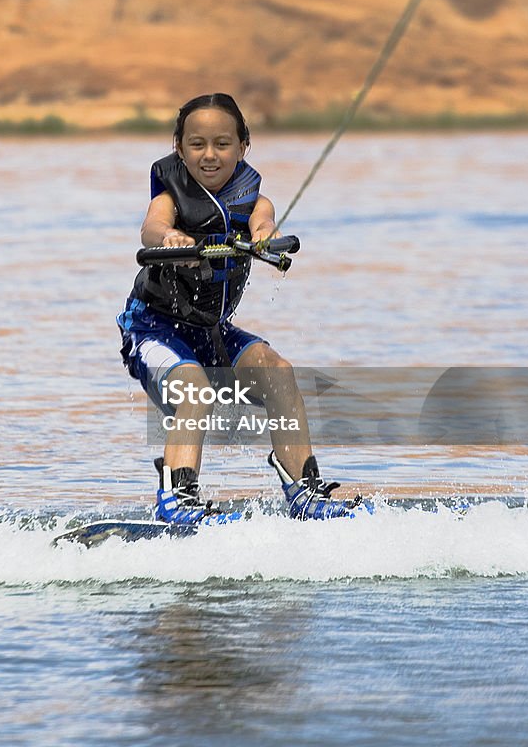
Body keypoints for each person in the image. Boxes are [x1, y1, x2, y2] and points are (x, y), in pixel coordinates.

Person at [117, 93, 361, 523]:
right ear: (179, 147)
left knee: (278, 373)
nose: (209, 155)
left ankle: (305, 495)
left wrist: (266, 239)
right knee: (194, 388)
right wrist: (172, 240)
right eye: (197, 144)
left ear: (242, 146)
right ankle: (177, 502)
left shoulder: (255, 200)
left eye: (222, 144)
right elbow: (152, 228)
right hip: (153, 330)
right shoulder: (170, 196)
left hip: (211, 331)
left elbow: (264, 224)